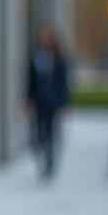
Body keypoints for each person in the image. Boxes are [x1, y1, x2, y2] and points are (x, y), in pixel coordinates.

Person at [26, 25, 70, 180]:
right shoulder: (36, 56)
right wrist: (28, 101)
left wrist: (65, 104)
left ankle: (50, 162)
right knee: (37, 136)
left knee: (51, 133)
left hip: (53, 102)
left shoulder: (58, 57)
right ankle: (44, 161)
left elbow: (64, 82)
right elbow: (30, 82)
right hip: (39, 101)